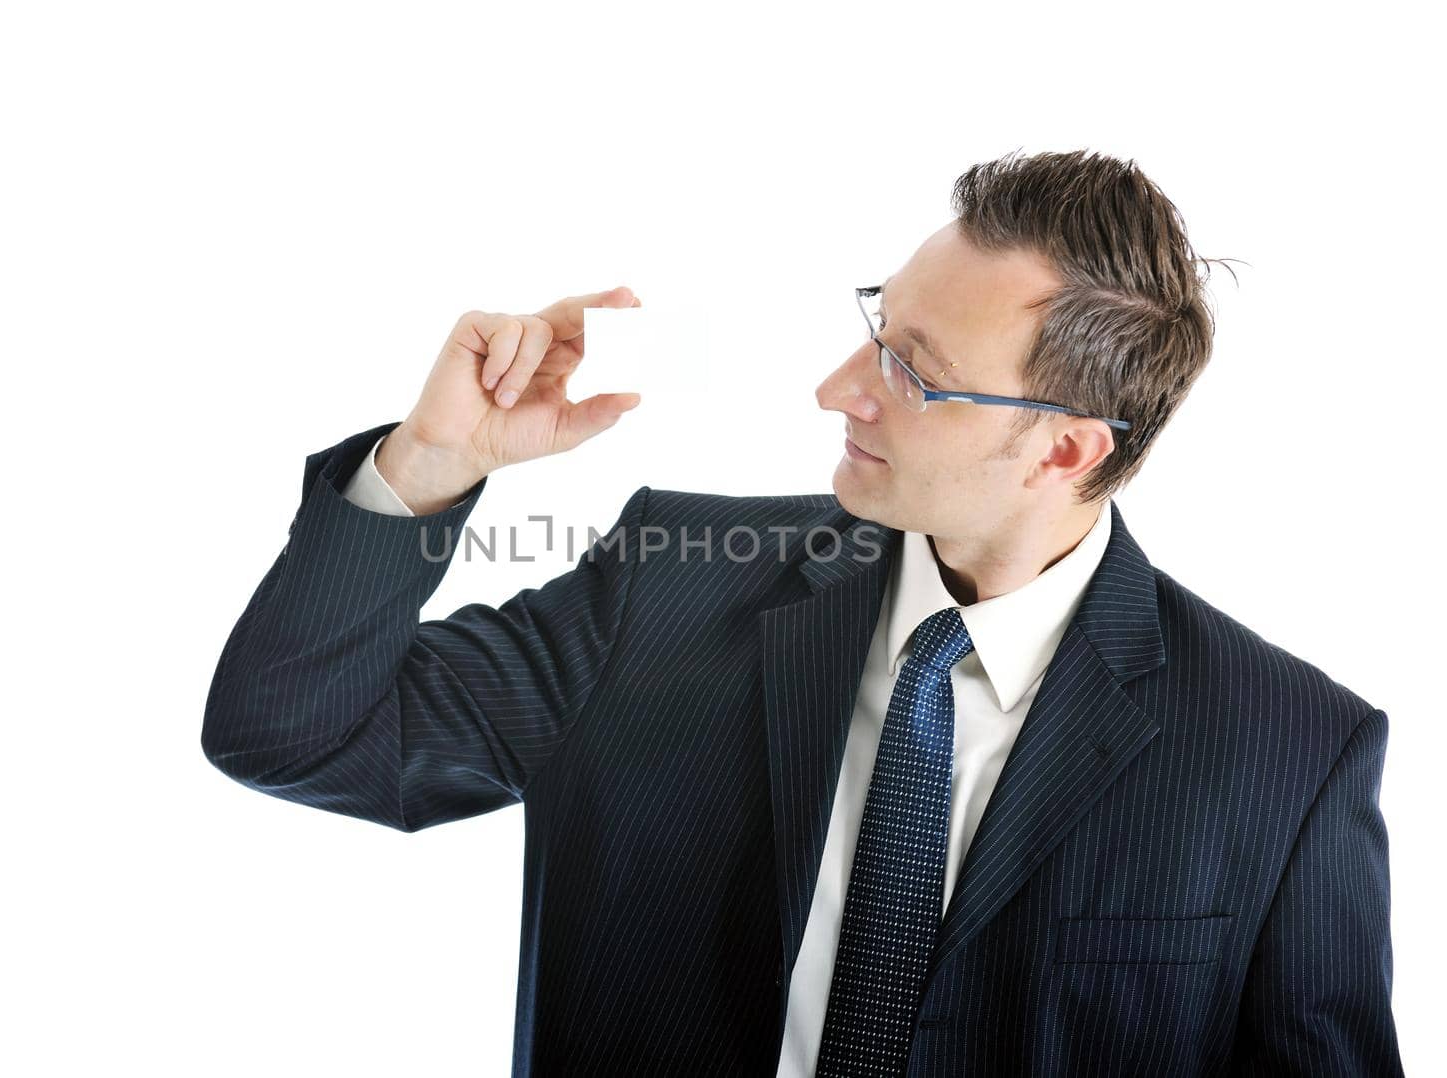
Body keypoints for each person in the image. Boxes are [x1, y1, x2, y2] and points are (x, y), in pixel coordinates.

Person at [201, 149, 1403, 1076]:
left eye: (914, 373)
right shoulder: (667, 580)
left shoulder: (1288, 750)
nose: (839, 389)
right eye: (878, 328)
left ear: (1064, 450)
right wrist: (427, 462)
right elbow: (292, 732)